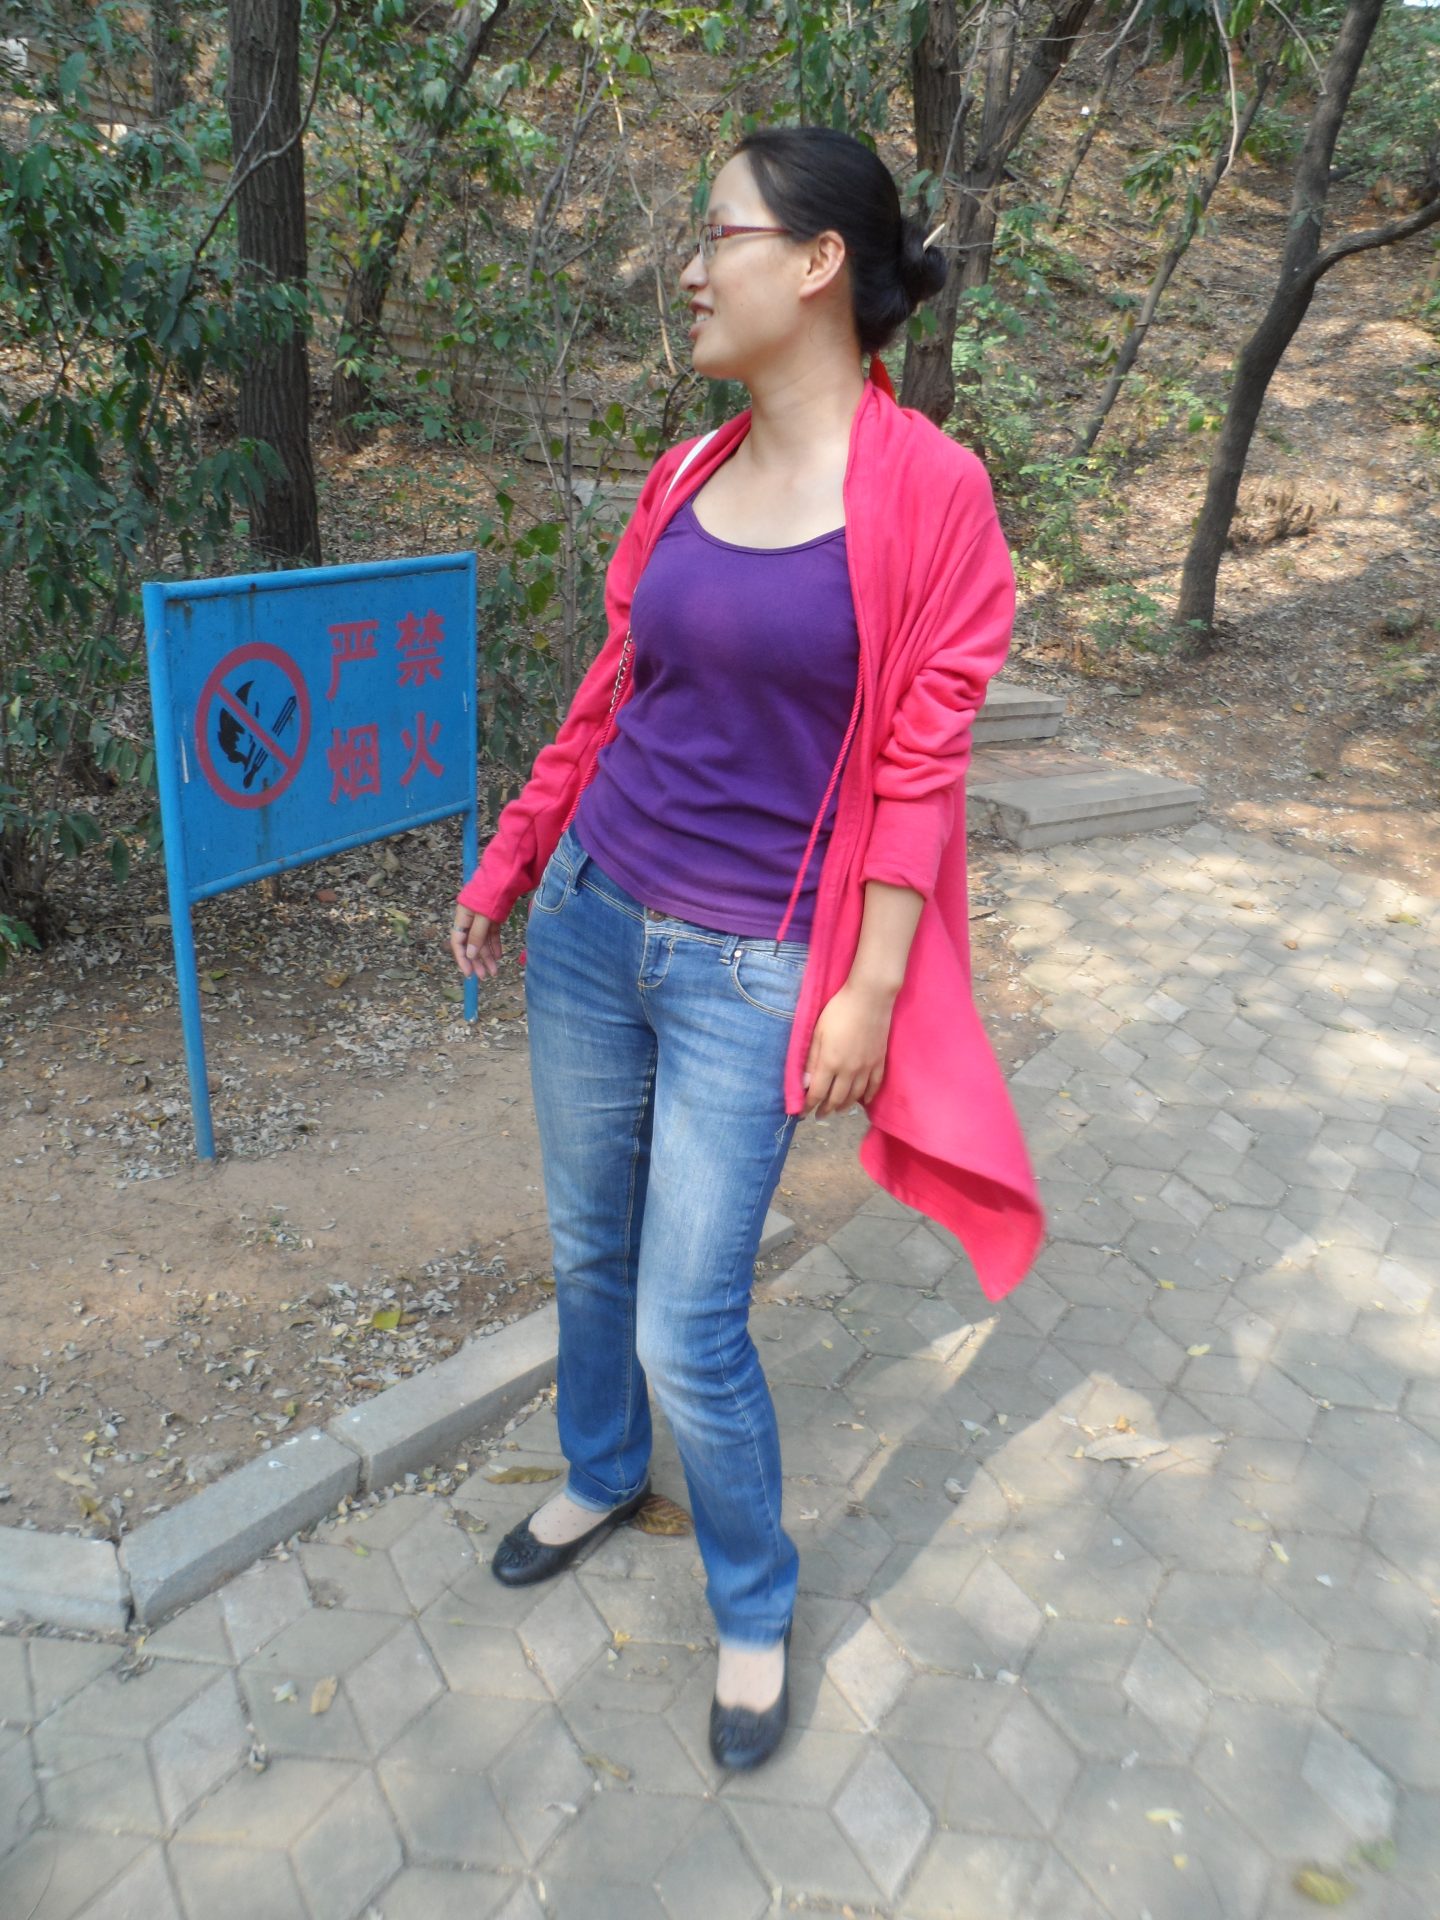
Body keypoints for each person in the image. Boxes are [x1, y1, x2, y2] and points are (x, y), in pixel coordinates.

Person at [450, 125, 1044, 1772]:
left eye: (718, 235)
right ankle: (597, 1470)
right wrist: (514, 859)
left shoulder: (932, 493)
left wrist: (870, 984)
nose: (691, 269)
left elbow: (923, 759)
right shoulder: (685, 475)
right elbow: (611, 696)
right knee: (590, 1247)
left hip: (754, 970)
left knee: (686, 1320)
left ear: (820, 263)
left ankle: (755, 1597)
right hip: (592, 922)